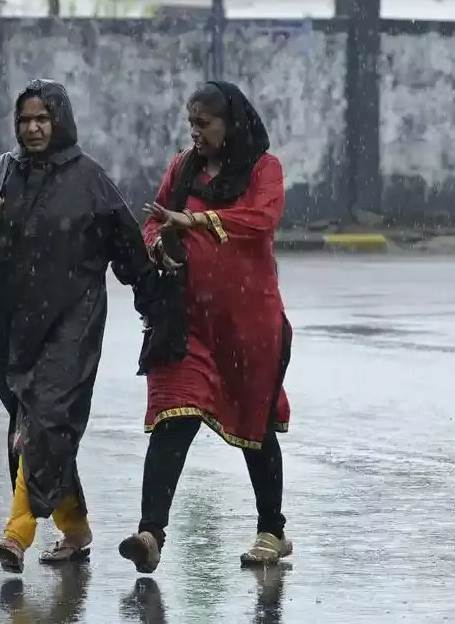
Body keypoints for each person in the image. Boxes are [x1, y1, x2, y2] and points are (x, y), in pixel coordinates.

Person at [0, 79, 156, 574]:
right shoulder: (2, 171)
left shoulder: (89, 178)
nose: (32, 128)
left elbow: (129, 249)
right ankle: (74, 528)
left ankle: (17, 534)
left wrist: (157, 301)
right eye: (25, 120)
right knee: (35, 426)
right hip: (14, 322)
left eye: (42, 118)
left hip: (74, 320)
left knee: (44, 421)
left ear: (60, 120)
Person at [118, 80, 292, 574]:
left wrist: (196, 223)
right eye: (190, 122)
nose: (194, 132)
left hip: (247, 324)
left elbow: (260, 218)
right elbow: (153, 222)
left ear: (230, 124)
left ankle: (272, 531)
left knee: (254, 426)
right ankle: (150, 533)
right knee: (174, 417)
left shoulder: (264, 169)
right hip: (188, 323)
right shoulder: (181, 168)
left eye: (203, 123)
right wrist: (161, 242)